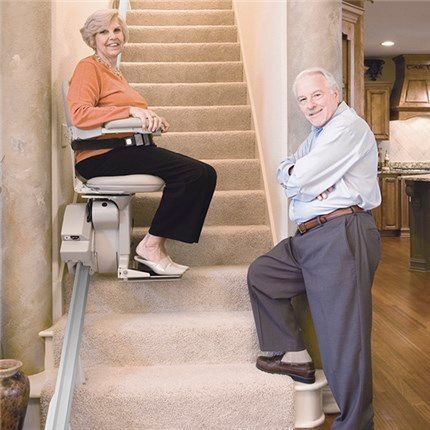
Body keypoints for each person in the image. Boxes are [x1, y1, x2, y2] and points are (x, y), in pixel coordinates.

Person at [247, 67, 381, 430]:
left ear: (335, 94)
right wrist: (299, 177)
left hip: (341, 232)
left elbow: (299, 178)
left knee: (343, 338)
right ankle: (294, 355)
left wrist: (300, 178)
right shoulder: (317, 134)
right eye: (302, 99)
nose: (309, 104)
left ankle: (354, 424)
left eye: (316, 95)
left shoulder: (347, 127)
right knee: (263, 274)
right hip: (308, 236)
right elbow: (288, 171)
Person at [68, 9, 217, 276]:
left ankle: (154, 245)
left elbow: (120, 111)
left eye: (116, 30)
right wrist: (129, 112)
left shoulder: (114, 73)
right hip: (101, 156)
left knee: (201, 174)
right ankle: (151, 246)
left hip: (129, 149)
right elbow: (80, 114)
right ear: (92, 40)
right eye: (104, 32)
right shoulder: (88, 68)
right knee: (197, 174)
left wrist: (150, 120)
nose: (112, 36)